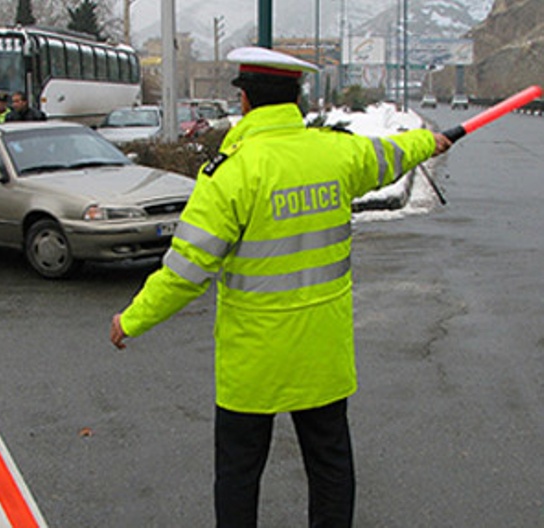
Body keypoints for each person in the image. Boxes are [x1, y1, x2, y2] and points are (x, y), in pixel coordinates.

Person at [109, 47, 452, 527]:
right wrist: (429, 141)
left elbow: (186, 271)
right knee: (330, 464)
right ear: (295, 99)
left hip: (254, 363)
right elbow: (392, 154)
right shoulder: (337, 153)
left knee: (239, 473)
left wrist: (133, 318)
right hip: (321, 354)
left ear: (246, 101)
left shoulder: (233, 172)